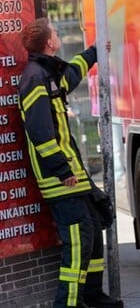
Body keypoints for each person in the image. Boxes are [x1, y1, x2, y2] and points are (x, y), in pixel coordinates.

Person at [18, 18, 122, 308]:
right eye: (55, 30)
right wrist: (62, 170)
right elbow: (40, 133)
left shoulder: (47, 73)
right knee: (78, 245)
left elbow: (71, 75)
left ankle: (93, 297)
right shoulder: (35, 78)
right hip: (60, 181)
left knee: (92, 232)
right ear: (49, 41)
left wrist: (93, 53)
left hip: (72, 179)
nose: (58, 33)